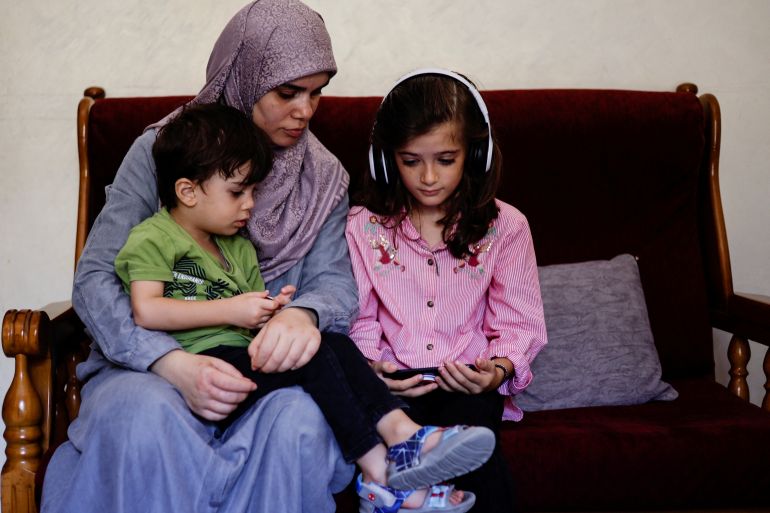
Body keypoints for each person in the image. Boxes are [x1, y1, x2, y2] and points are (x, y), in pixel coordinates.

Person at [42, 1, 357, 512]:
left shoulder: (323, 179)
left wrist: (302, 314)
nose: (306, 111)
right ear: (246, 75)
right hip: (144, 367)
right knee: (144, 417)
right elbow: (96, 277)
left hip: (259, 369)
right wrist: (168, 362)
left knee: (301, 421)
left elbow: (334, 282)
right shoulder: (163, 151)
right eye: (287, 92)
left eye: (317, 92)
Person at [114, 102, 493, 513]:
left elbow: (248, 318)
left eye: (254, 192)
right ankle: (390, 461)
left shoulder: (236, 247)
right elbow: (146, 311)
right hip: (199, 366)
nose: (249, 205)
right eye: (238, 192)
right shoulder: (153, 237)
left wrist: (273, 312)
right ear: (187, 191)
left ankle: (395, 453)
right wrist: (232, 311)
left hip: (239, 357)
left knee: (325, 342)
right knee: (316, 357)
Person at [345, 68, 549, 513]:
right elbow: (360, 317)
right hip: (394, 386)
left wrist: (496, 370)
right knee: (381, 439)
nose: (429, 177)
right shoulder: (362, 226)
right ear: (387, 160)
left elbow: (519, 321)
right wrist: (372, 370)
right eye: (411, 160)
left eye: (446, 159)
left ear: (475, 156)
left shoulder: (506, 226)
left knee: (476, 447)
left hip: (468, 384)